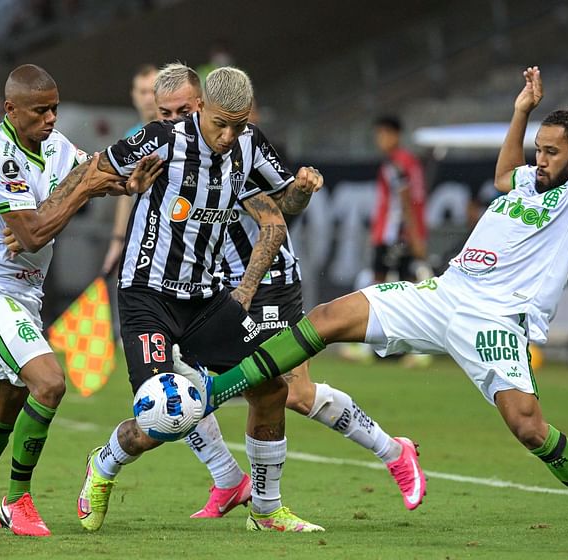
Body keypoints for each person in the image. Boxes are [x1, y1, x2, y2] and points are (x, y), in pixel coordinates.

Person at [188, 13, 568, 536]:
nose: (539, 158)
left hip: (496, 320)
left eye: (551, 152)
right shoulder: (529, 180)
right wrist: (520, 112)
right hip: (445, 293)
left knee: (528, 427)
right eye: (538, 148)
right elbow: (505, 174)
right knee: (328, 317)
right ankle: (213, 393)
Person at [148, 64, 425, 519]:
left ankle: (394, 452)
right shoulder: (167, 148)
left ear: (201, 106)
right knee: (175, 382)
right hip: (215, 288)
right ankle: (227, 479)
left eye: (182, 110)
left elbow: (280, 211)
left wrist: (299, 191)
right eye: (164, 112)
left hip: (266, 283)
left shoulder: (235, 148)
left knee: (290, 393)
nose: (174, 119)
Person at [74, 66, 326, 533]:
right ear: (202, 110)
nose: (229, 135)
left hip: (205, 295)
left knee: (272, 387)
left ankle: (266, 511)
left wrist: (302, 192)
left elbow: (279, 209)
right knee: (166, 411)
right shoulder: (158, 139)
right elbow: (91, 174)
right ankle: (104, 464)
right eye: (220, 124)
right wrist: (41, 223)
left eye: (238, 125)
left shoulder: (245, 147)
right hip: (147, 294)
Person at [0, 63, 160, 537]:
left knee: (7, 402)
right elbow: (34, 234)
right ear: (11, 109)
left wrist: (129, 181)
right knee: (50, 383)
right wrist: (77, 195)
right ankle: (17, 500)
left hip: (26, 295)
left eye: (55, 108)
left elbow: (96, 173)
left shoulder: (57, 146)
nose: (51, 118)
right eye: (40, 111)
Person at [101, 64, 159, 278]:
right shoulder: (131, 136)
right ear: (133, 96)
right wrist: (117, 242)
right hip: (140, 237)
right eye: (142, 92)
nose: (148, 98)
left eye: (153, 91)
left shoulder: (178, 132)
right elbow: (126, 195)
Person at [371, 115, 428, 283]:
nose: (379, 140)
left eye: (383, 134)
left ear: (396, 135)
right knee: (406, 285)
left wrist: (415, 236)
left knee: (378, 286)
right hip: (403, 233)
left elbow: (405, 199)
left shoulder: (394, 164)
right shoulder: (409, 160)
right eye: (378, 135)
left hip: (395, 234)